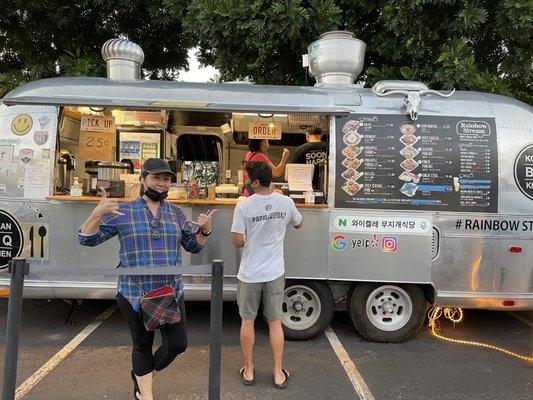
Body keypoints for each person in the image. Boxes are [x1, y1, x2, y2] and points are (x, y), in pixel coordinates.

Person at [78, 158, 217, 400]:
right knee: (142, 344)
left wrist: (205, 230)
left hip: (169, 291)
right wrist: (96, 214)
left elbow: (193, 246)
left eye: (167, 179)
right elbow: (87, 239)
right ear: (143, 180)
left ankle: (143, 377)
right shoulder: (124, 211)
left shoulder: (176, 212)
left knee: (177, 344)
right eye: (156, 178)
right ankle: (146, 394)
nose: (162, 184)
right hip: (134, 292)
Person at [230, 161, 303, 389]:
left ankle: (249, 370)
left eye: (246, 178)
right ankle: (278, 372)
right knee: (275, 323)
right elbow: (299, 224)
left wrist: (249, 238)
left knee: (248, 321)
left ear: (255, 182)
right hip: (274, 272)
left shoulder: (243, 205)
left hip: (250, 273)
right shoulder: (285, 201)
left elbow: (237, 241)